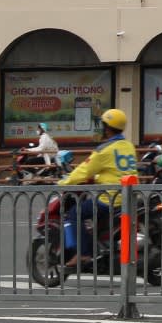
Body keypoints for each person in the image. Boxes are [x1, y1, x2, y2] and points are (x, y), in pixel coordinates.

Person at [58, 108, 137, 263]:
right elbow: (117, 170)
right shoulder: (129, 146)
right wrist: (99, 177)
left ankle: (83, 253)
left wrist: (63, 183)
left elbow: (83, 171)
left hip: (110, 199)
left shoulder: (104, 150)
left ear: (107, 128)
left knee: (74, 213)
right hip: (129, 197)